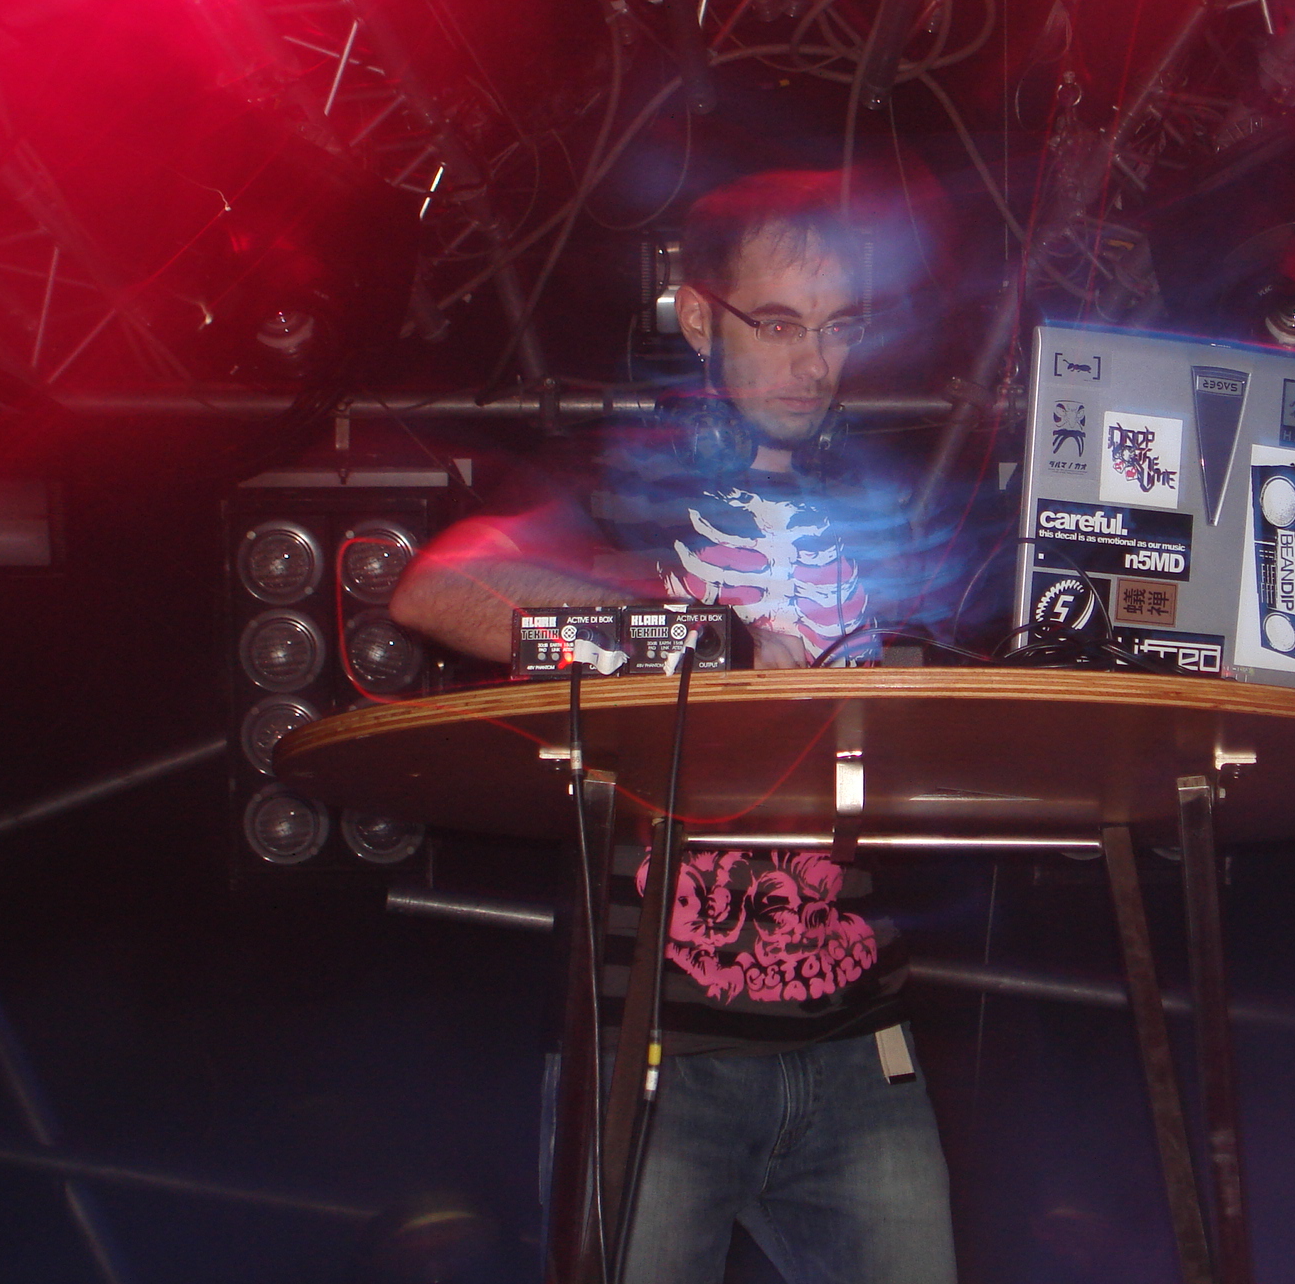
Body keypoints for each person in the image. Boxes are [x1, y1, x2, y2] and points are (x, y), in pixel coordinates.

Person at [388, 169, 960, 1284]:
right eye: (779, 325)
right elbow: (436, 590)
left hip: (863, 1049)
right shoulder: (623, 478)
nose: (813, 364)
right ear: (699, 317)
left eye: (839, 328)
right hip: (654, 1052)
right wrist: (708, 642)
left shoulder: (892, 503)